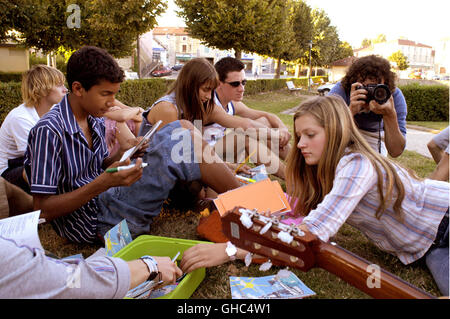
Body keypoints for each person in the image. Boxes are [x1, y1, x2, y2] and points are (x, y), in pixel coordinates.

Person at [24, 46, 240, 246]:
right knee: (182, 135)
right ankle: (248, 204)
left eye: (114, 94)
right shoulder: (48, 131)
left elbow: (100, 165)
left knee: (182, 127)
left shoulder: (93, 117)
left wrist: (125, 153)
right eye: (106, 94)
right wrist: (102, 183)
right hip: (100, 225)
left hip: (109, 199)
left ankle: (245, 201)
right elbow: (42, 210)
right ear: (78, 88)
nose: (112, 102)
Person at [284, 95, 449, 296]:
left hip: (444, 217)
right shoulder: (327, 170)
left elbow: (317, 227)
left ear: (337, 131)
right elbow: (311, 219)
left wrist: (248, 247)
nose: (300, 144)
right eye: (299, 136)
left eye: (310, 135)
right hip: (427, 247)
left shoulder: (357, 164)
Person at [0, 178, 182, 298]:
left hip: (100, 207)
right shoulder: (49, 130)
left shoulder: (94, 125)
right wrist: (148, 266)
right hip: (93, 220)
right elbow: (71, 281)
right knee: (183, 133)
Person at [212, 57, 291, 168]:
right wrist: (277, 135)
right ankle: (291, 178)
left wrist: (283, 129)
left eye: (243, 82)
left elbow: (267, 116)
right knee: (245, 135)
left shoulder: (232, 104)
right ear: (219, 83)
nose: (242, 89)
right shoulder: (210, 103)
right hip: (205, 154)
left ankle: (303, 166)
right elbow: (247, 125)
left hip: (222, 149)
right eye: (235, 84)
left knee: (264, 121)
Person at [0, 65, 67, 193]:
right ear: (42, 90)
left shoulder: (53, 110)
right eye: (59, 85)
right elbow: (35, 159)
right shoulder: (20, 118)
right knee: (38, 168)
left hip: (29, 161)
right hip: (8, 171)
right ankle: (47, 203)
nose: (65, 89)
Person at [329, 55, 407, 157]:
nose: (370, 92)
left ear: (386, 85)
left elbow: (396, 151)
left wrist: (390, 115)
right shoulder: (341, 90)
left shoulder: (393, 96)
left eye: (376, 87)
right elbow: (328, 136)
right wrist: (350, 111)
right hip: (345, 133)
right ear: (352, 82)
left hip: (375, 136)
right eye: (364, 87)